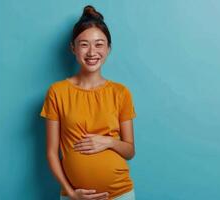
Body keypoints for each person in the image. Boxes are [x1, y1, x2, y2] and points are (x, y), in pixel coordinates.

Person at [39, 5, 137, 200]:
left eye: (99, 44)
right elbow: (51, 152)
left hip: (120, 194)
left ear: (108, 48)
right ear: (73, 48)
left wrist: (107, 141)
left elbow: (130, 151)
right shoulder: (57, 92)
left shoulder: (121, 93)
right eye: (84, 44)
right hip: (75, 195)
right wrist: (70, 193)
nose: (92, 52)